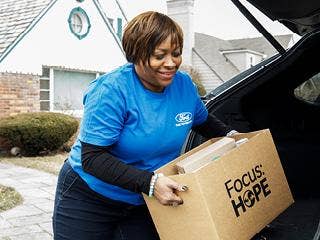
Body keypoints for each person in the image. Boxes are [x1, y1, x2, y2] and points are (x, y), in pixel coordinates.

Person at [52, 11, 237, 240]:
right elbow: (93, 157)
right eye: (160, 56)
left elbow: (204, 121)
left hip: (142, 199)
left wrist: (235, 138)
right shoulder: (111, 91)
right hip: (89, 196)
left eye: (176, 54)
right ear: (136, 54)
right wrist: (150, 182)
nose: (171, 64)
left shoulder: (184, 86)